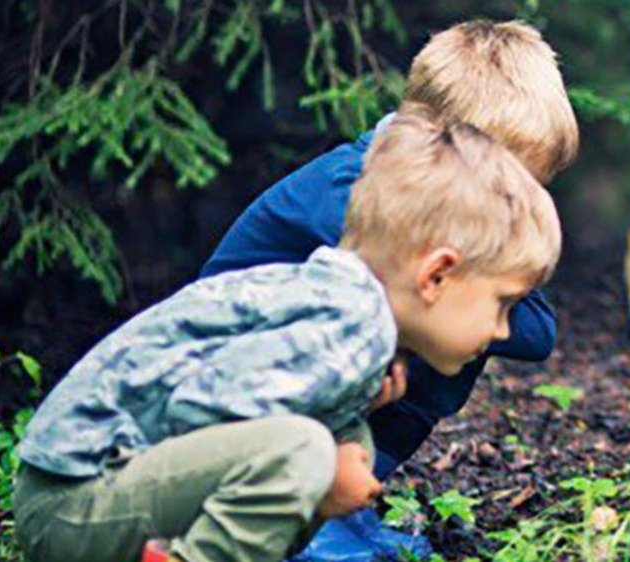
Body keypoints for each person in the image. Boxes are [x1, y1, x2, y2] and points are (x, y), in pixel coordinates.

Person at [12, 109, 562, 562]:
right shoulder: (345, 324)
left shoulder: (348, 309)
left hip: (98, 494)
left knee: (329, 449)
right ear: (436, 275)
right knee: (304, 454)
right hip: (75, 500)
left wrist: (345, 433)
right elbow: (197, 410)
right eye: (503, 303)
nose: (504, 329)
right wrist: (326, 465)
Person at [199, 20, 578, 560]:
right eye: (506, 187)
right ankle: (293, 515)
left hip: (333, 409)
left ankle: (337, 511)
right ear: (441, 148)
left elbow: (537, 331)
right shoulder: (353, 197)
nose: (515, 209)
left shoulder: (436, 210)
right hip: (231, 401)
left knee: (437, 335)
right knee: (420, 315)